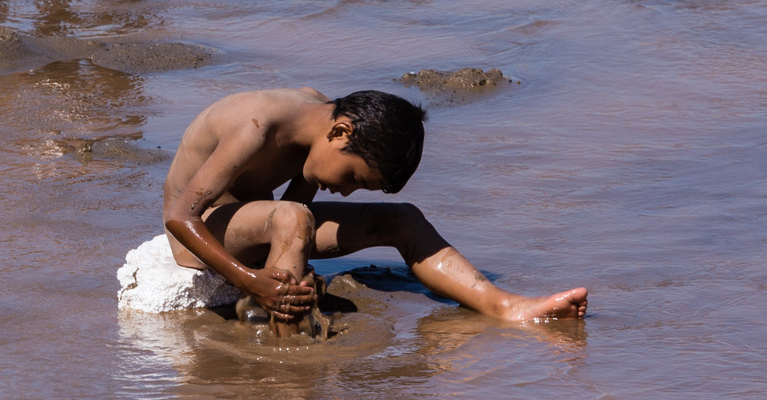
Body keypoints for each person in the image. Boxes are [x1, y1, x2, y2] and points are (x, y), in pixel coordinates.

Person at [162, 87, 589, 324]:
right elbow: (180, 216)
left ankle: (508, 307)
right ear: (340, 132)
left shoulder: (319, 113)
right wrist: (253, 282)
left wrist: (288, 260)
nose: (346, 193)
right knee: (293, 217)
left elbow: (292, 205)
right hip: (198, 238)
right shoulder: (255, 126)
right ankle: (288, 349)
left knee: (403, 219)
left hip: (257, 225)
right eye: (352, 179)